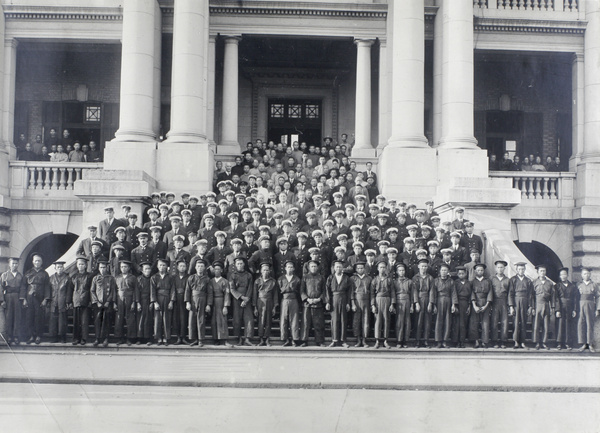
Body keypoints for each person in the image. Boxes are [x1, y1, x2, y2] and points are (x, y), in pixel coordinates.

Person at [24, 253, 51, 344]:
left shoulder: (45, 274)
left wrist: (46, 299)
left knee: (39, 317)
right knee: (29, 317)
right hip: (29, 297)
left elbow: (47, 287)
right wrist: (23, 299)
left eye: (39, 261)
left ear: (42, 262)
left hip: (40, 298)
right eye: (35, 261)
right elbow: (23, 287)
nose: (37, 262)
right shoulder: (28, 273)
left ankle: (38, 336)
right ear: (33, 262)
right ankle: (31, 336)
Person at [185, 259, 212, 347]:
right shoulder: (191, 278)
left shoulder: (207, 279)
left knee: (201, 319)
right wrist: (188, 302)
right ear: (195, 267)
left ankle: (201, 340)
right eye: (198, 266)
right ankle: (194, 339)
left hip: (203, 299)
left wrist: (208, 304)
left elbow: (210, 292)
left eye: (202, 266)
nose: (200, 268)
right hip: (193, 299)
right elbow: (187, 291)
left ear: (204, 268)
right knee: (192, 319)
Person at [91, 259, 117, 347]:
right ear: (98, 268)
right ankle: (97, 338)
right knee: (98, 320)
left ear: (107, 268)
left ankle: (106, 338)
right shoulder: (95, 278)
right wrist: (96, 302)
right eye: (101, 267)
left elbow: (112, 291)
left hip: (107, 304)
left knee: (107, 321)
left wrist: (108, 301)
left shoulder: (111, 278)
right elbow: (92, 291)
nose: (102, 269)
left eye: (104, 267)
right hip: (98, 304)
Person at [229, 257, 254, 346]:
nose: (239, 265)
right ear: (235, 265)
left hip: (247, 299)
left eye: (241, 263)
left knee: (249, 319)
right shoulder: (232, 275)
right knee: (237, 319)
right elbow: (232, 289)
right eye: (238, 264)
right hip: (237, 300)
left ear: (244, 264)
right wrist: (241, 298)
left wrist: (246, 299)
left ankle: (247, 339)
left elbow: (251, 288)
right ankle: (239, 339)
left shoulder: (249, 275)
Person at [300, 259, 327, 347]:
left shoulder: (321, 278)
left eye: (315, 266)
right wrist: (307, 299)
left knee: (318, 323)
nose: (313, 268)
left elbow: (324, 291)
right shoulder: (305, 277)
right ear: (308, 267)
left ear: (318, 267)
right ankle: (304, 340)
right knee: (306, 323)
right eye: (312, 266)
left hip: (318, 304)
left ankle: (319, 341)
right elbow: (302, 291)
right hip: (307, 304)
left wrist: (319, 299)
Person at [114, 260, 140, 346]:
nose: (123, 268)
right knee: (119, 318)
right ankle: (120, 338)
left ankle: (130, 338)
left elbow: (136, 290)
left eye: (125, 267)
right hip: (119, 299)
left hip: (129, 298)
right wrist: (114, 302)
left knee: (130, 319)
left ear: (128, 268)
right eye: (122, 267)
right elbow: (114, 291)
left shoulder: (133, 278)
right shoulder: (117, 277)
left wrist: (134, 302)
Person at [326, 260, 351, 348]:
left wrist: (348, 303)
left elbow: (349, 291)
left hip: (343, 298)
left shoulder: (346, 278)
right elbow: (327, 291)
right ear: (334, 268)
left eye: (340, 267)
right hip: (334, 299)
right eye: (337, 267)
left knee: (343, 319)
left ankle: (343, 341)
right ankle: (334, 340)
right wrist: (328, 302)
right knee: (334, 320)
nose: (338, 268)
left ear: (342, 268)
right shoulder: (330, 277)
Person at [508, 262, 534, 349]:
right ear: (516, 270)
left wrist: (530, 306)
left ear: (525, 269)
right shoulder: (513, 280)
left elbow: (530, 294)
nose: (521, 271)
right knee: (515, 322)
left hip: (525, 302)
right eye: (519, 269)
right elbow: (510, 293)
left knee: (523, 322)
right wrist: (511, 306)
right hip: (516, 301)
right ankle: (515, 341)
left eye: (522, 269)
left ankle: (523, 342)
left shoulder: (528, 281)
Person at [253, 262, 279, 346]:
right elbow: (254, 294)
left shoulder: (273, 282)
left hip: (269, 301)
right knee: (260, 320)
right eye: (264, 270)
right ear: (261, 271)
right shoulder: (257, 281)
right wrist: (255, 307)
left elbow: (275, 295)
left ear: (270, 271)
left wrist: (274, 307)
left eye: (267, 270)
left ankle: (267, 339)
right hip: (260, 301)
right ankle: (261, 339)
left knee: (268, 320)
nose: (266, 272)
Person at [0, 257, 25, 345]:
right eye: (13, 263)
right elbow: (1, 288)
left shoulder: (20, 275)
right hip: (8, 297)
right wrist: (2, 300)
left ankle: (16, 336)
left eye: (16, 263)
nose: (14, 265)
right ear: (9, 265)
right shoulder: (4, 275)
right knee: (9, 316)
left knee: (17, 317)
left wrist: (22, 298)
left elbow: (23, 288)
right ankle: (9, 336)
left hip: (17, 297)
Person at [371, 260, 395, 349]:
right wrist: (373, 305)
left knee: (386, 320)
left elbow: (392, 292)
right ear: (377, 269)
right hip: (377, 301)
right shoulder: (374, 280)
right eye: (380, 267)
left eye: (384, 267)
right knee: (377, 321)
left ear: (386, 268)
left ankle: (385, 340)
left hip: (387, 300)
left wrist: (392, 304)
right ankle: (377, 341)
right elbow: (372, 294)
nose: (382, 269)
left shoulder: (389, 280)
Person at [150, 258, 174, 346]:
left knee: (166, 318)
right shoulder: (154, 277)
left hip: (167, 298)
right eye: (160, 265)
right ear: (157, 266)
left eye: (164, 265)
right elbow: (152, 291)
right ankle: (159, 338)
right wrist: (155, 302)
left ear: (167, 266)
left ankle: (166, 338)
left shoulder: (170, 277)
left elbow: (172, 289)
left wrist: (171, 301)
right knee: (157, 319)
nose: (162, 267)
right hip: (158, 298)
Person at [432, 263, 456, 349]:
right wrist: (433, 305)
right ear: (439, 271)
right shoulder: (436, 281)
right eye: (442, 270)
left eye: (445, 270)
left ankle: (445, 341)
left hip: (448, 301)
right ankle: (438, 341)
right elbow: (433, 293)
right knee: (438, 321)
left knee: (447, 321)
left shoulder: (451, 281)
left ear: (448, 271)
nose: (443, 272)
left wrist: (453, 304)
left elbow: (453, 293)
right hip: (439, 301)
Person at [278, 260, 302, 347]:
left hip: (294, 300)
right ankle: (286, 339)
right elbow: (278, 291)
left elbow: (299, 291)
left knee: (294, 320)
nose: (290, 269)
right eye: (288, 267)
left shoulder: (297, 279)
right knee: (284, 320)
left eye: (291, 267)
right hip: (284, 300)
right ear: (285, 268)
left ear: (294, 268)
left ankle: (294, 339)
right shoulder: (281, 279)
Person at [531, 264, 554, 350]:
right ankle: (537, 342)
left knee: (546, 325)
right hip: (537, 305)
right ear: (537, 272)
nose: (542, 273)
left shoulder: (549, 283)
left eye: (544, 271)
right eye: (541, 271)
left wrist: (552, 307)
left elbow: (552, 296)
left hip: (546, 305)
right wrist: (532, 307)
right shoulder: (534, 282)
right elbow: (532, 296)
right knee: (536, 325)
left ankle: (544, 342)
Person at [412, 259, 434, 348]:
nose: (423, 268)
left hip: (427, 299)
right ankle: (417, 340)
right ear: (418, 267)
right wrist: (416, 303)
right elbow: (414, 291)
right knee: (418, 321)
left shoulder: (430, 278)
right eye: (422, 266)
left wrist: (430, 303)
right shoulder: (415, 278)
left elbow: (432, 291)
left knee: (427, 321)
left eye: (425, 266)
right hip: (419, 299)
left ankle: (426, 340)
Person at [576, 267, 599, 352]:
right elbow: (576, 297)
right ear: (582, 275)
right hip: (581, 305)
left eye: (588, 273)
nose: (587, 275)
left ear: (590, 275)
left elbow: (597, 297)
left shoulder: (594, 285)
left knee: (590, 324)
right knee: (581, 324)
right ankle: (583, 344)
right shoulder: (579, 285)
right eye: (585, 273)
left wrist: (597, 309)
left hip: (590, 306)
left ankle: (590, 344)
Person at [554, 267, 578, 350]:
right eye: (561, 275)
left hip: (570, 307)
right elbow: (556, 298)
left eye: (565, 274)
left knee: (568, 325)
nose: (563, 276)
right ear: (559, 276)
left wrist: (574, 309)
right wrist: (557, 310)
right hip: (561, 307)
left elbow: (575, 299)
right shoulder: (557, 286)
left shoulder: (573, 286)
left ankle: (568, 343)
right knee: (560, 324)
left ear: (567, 275)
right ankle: (559, 343)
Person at [209, 261, 231, 346]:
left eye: (218, 269)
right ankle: (216, 339)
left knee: (222, 320)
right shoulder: (211, 281)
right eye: (215, 269)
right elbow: (210, 293)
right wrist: (209, 304)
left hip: (221, 301)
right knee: (214, 321)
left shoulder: (225, 281)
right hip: (214, 302)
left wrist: (225, 306)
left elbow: (227, 294)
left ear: (221, 270)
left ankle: (224, 339)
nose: (216, 271)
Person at [490, 260, 510, 349]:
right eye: (498, 267)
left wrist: (510, 305)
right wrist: (490, 303)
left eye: (502, 267)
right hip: (494, 302)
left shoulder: (508, 280)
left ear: (504, 268)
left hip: (504, 302)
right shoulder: (492, 279)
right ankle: (494, 341)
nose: (500, 269)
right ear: (495, 268)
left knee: (504, 322)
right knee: (494, 322)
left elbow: (510, 293)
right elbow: (489, 291)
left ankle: (503, 341)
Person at [452, 266, 472, 348]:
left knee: (463, 323)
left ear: (466, 274)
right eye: (459, 274)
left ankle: (462, 341)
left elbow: (471, 295)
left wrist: (469, 306)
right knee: (456, 324)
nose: (461, 275)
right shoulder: (455, 283)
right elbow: (454, 294)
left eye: (463, 273)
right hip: (458, 303)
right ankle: (456, 341)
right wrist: (455, 305)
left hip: (465, 304)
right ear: (457, 274)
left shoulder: (469, 283)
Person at [137, 262, 154, 346]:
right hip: (141, 301)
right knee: (140, 320)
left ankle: (149, 338)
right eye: (145, 269)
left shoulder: (153, 279)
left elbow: (154, 292)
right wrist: (138, 303)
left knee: (149, 320)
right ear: (142, 271)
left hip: (149, 301)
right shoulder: (139, 279)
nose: (147, 271)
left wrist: (152, 302)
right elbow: (136, 292)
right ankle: (140, 338)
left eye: (149, 269)